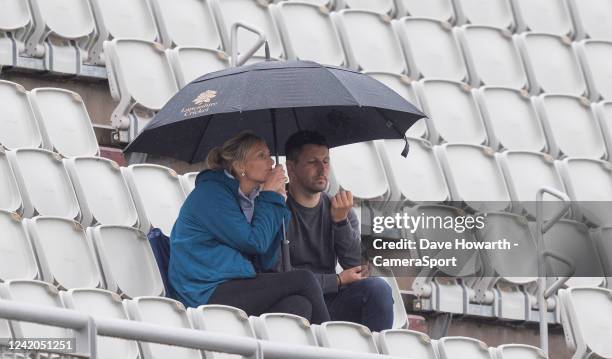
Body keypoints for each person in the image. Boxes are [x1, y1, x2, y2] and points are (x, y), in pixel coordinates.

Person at [168, 131, 330, 324]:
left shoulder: (249, 199)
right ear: (240, 166)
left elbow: (266, 260)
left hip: (236, 282)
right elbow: (254, 243)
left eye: (269, 155)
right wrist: (270, 197)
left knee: (298, 306)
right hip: (205, 290)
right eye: (261, 156)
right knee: (304, 280)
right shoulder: (211, 195)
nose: (271, 162)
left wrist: (280, 207)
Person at [284, 130, 394, 331]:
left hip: (330, 302)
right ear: (291, 168)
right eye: (312, 162)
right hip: (293, 303)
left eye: (326, 161)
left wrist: (340, 222)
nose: (322, 169)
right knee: (300, 305)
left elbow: (356, 266)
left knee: (378, 289)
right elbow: (280, 276)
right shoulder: (276, 208)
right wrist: (336, 280)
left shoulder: (339, 208)